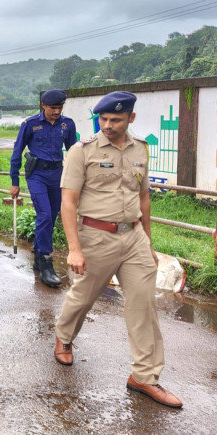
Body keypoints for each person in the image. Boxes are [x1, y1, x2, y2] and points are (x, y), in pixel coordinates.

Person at [54, 91, 182, 408]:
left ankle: (144, 376)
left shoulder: (141, 149)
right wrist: (74, 249)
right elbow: (68, 203)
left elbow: (143, 198)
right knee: (83, 297)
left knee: (143, 307)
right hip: (96, 236)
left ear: (131, 118)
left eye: (116, 119)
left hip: (134, 237)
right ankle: (64, 336)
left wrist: (148, 243)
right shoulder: (82, 151)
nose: (108, 125)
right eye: (104, 119)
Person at [10, 89, 78, 288]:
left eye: (60, 108)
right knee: (45, 215)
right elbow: (17, 151)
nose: (56, 111)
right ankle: (47, 262)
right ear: (43, 105)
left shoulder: (67, 124)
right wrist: (14, 181)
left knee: (53, 215)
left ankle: (38, 257)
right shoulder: (30, 124)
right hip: (37, 174)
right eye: (53, 108)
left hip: (57, 174)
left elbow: (74, 152)